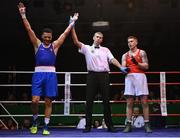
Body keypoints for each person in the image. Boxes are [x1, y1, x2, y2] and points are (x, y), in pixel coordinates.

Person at [18, 2, 78, 135]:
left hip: (51, 75)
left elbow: (64, 34)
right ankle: (35, 121)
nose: (46, 39)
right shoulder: (37, 44)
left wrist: (72, 22)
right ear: (42, 37)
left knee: (48, 101)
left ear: (51, 38)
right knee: (34, 101)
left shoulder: (54, 46)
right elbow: (29, 29)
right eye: (45, 37)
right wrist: (23, 14)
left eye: (49, 37)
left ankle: (45, 126)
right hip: (38, 75)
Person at [71, 16, 129, 133]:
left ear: (102, 40)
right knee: (89, 101)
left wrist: (121, 67)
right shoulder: (86, 48)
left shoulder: (106, 50)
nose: (99, 38)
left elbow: (112, 59)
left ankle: (110, 125)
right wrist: (72, 25)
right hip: (92, 76)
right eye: (97, 36)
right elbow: (75, 41)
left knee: (106, 102)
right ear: (93, 37)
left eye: (101, 38)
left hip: (104, 76)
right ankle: (87, 126)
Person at [121, 36, 152, 133]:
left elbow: (146, 66)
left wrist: (137, 63)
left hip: (140, 77)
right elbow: (122, 68)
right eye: (128, 42)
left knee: (144, 102)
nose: (130, 43)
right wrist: (125, 69)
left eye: (131, 41)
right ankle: (128, 125)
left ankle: (147, 124)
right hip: (129, 78)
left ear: (136, 42)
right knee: (129, 102)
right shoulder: (125, 55)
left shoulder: (142, 52)